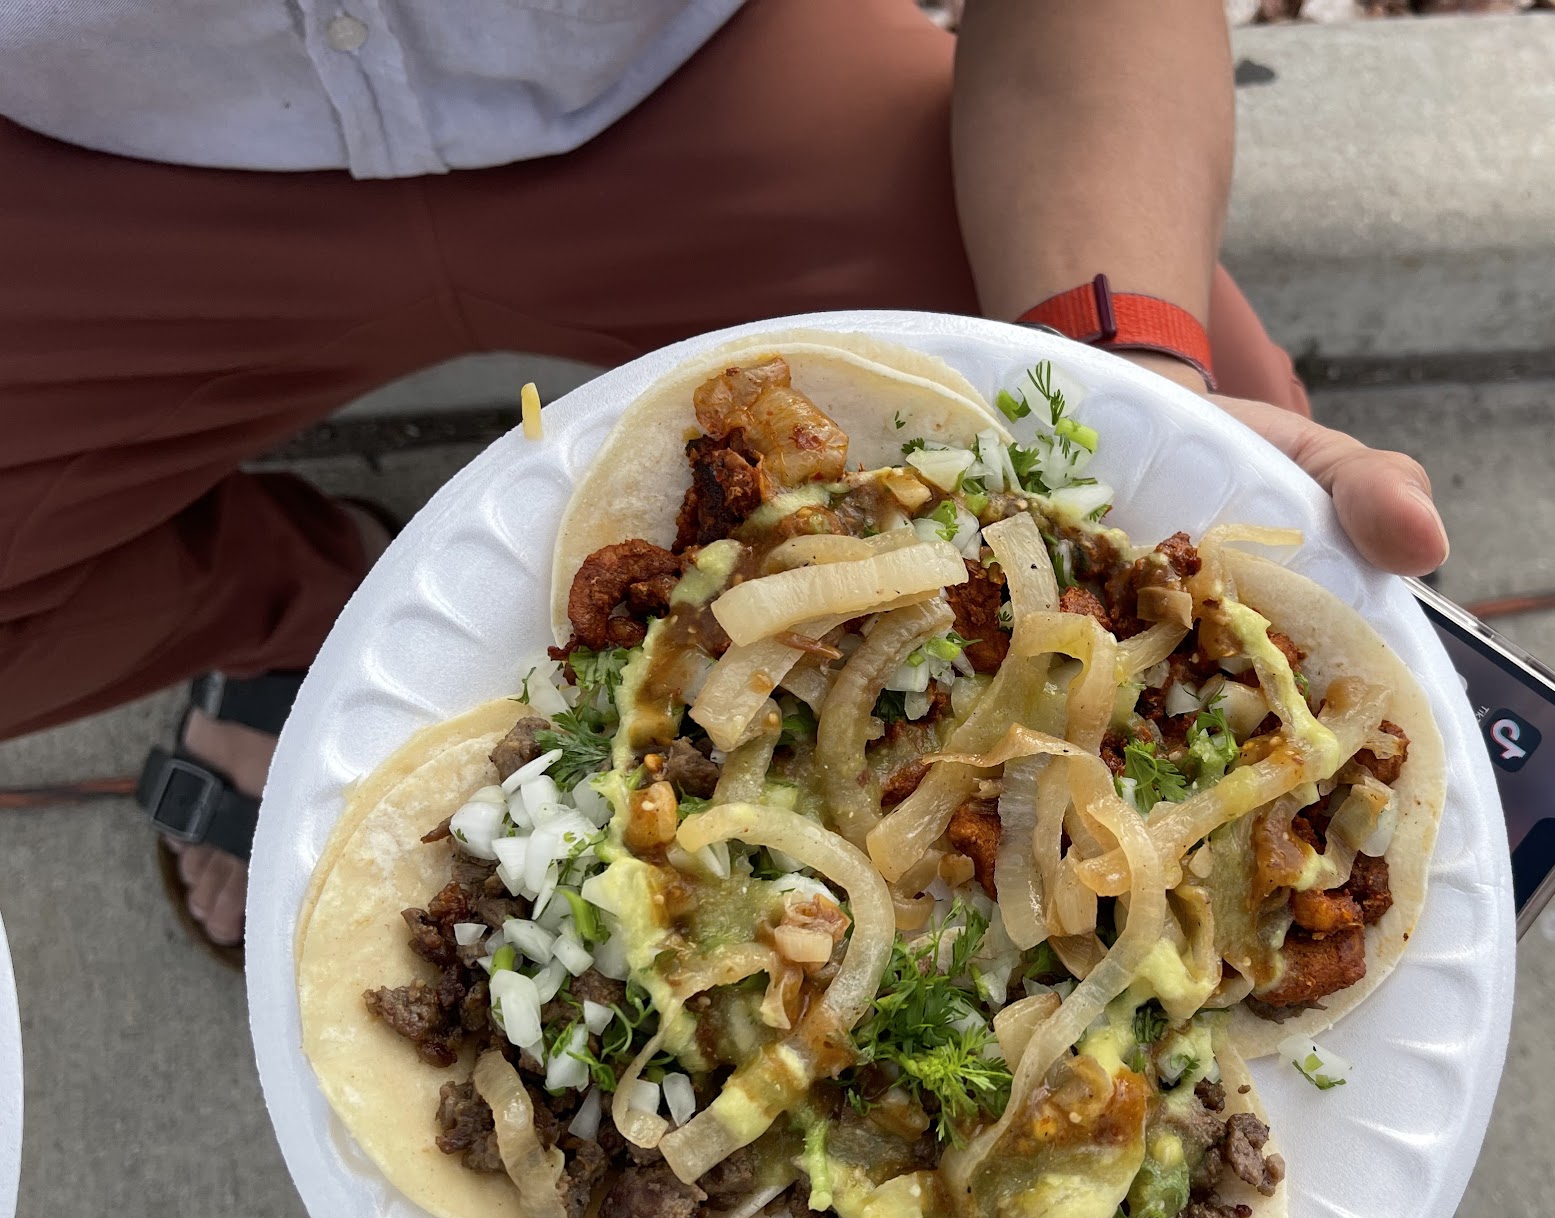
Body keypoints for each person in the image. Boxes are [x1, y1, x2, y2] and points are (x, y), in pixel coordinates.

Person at [0, 0, 1449, 958]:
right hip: (110, 146)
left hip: (677, 77)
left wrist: (1130, 376)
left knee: (1209, 463)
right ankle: (315, 616)